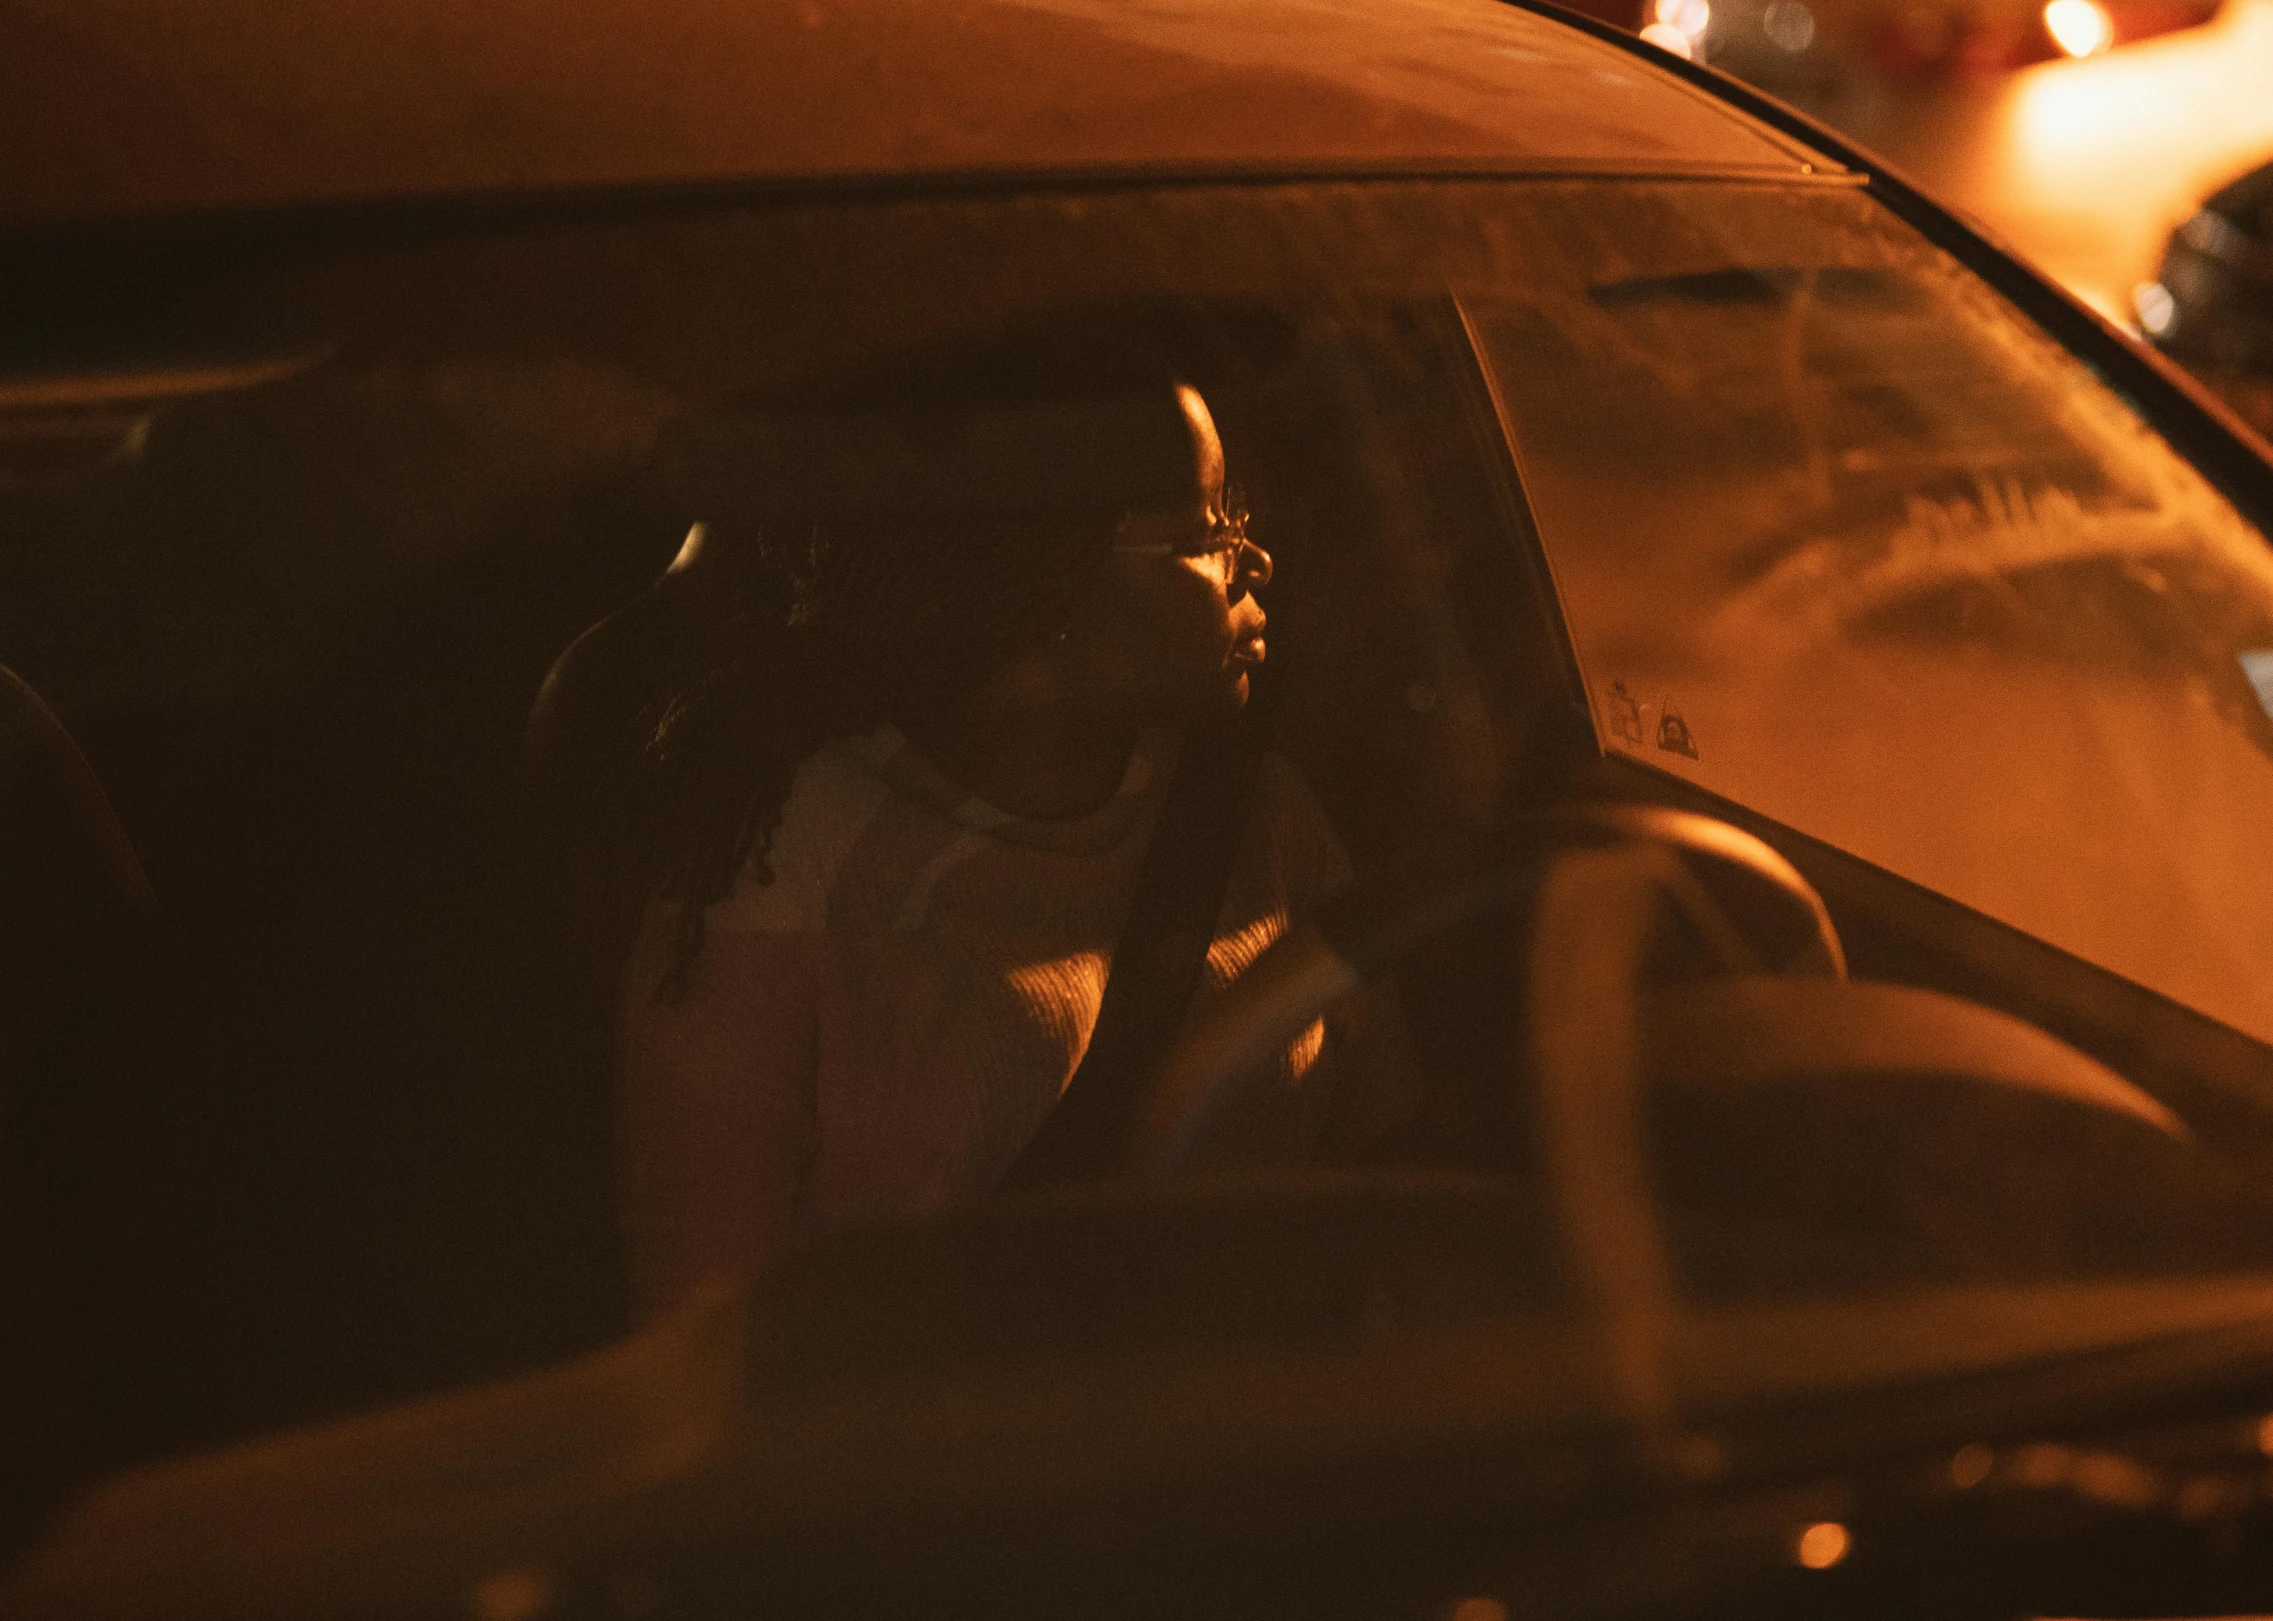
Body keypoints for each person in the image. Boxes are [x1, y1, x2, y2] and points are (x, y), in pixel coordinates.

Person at [616, 371, 1398, 1320]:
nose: (1254, 560)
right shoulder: (783, 861)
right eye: (1205, 531)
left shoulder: (1263, 817)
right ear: (1045, 582)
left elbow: (1385, 1178)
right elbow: (700, 1336)